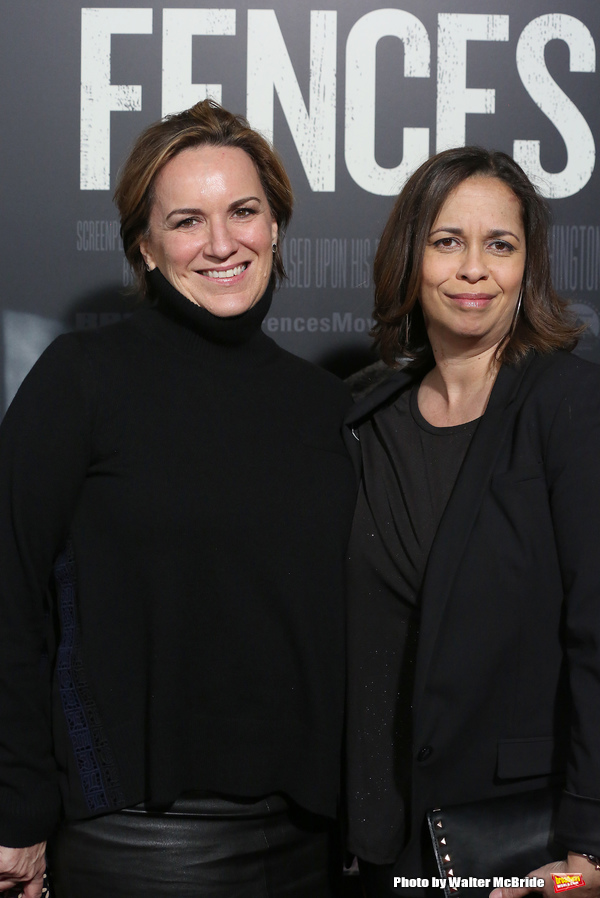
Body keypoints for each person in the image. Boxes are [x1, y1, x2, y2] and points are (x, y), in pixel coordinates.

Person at [0, 99, 357, 897]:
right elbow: (9, 594)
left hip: (313, 843)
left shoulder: (327, 407)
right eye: (188, 221)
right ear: (147, 248)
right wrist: (13, 813)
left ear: (276, 228)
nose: (222, 243)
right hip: (137, 841)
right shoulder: (82, 379)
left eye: (244, 212)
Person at [344, 146, 600, 898]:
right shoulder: (367, 417)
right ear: (409, 255)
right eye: (447, 241)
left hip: (520, 845)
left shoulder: (569, 405)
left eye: (502, 245)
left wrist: (592, 844)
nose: (474, 269)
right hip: (379, 843)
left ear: (530, 265)